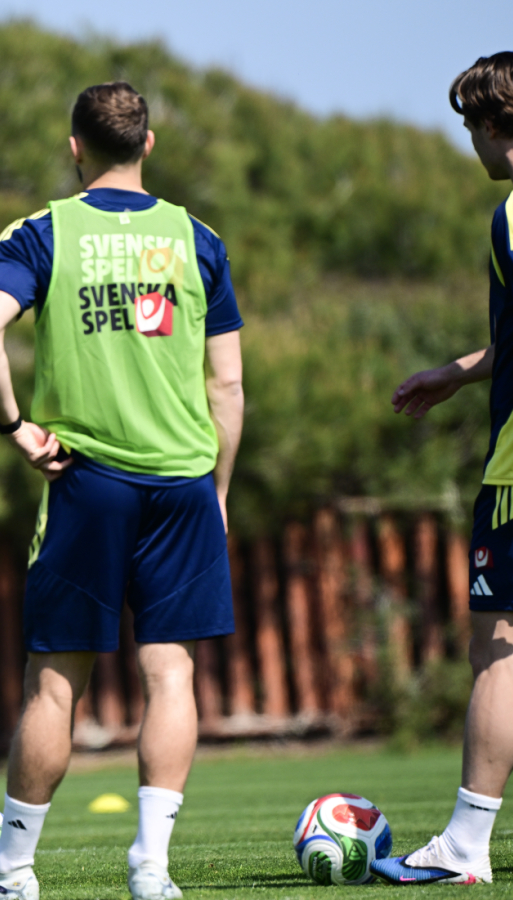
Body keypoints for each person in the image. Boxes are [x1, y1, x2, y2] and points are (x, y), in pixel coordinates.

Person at [0, 82, 244, 900]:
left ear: (75, 147)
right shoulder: (198, 238)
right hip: (182, 482)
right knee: (170, 676)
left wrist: (13, 428)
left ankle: (11, 875)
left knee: (54, 684)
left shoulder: (43, 232)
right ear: (147, 146)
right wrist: (217, 490)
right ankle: (151, 870)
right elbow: (227, 387)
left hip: (88, 483)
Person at [372, 52, 513, 887]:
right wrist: (456, 374)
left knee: (497, 647)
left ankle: (465, 843)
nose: (470, 143)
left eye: (471, 127)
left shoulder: (511, 215)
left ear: (497, 125)